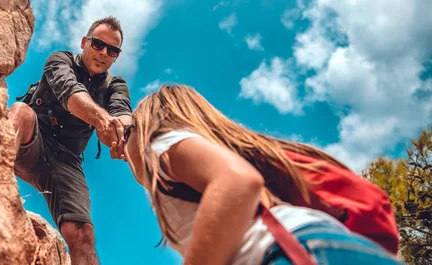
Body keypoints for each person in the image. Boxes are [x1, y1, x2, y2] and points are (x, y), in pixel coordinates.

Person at [122, 84, 404, 265]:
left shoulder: (161, 143)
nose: (123, 144)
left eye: (127, 132)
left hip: (288, 253)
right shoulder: (189, 160)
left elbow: (238, 181)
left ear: (144, 127)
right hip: (317, 244)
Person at [8, 16, 131, 265]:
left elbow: (122, 117)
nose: (104, 53)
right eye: (98, 44)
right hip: (32, 138)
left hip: (66, 159)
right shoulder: (59, 59)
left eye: (112, 49)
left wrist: (122, 137)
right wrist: (104, 121)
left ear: (116, 56)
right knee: (20, 111)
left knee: (83, 234)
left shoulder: (115, 85)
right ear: (85, 42)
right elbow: (71, 94)